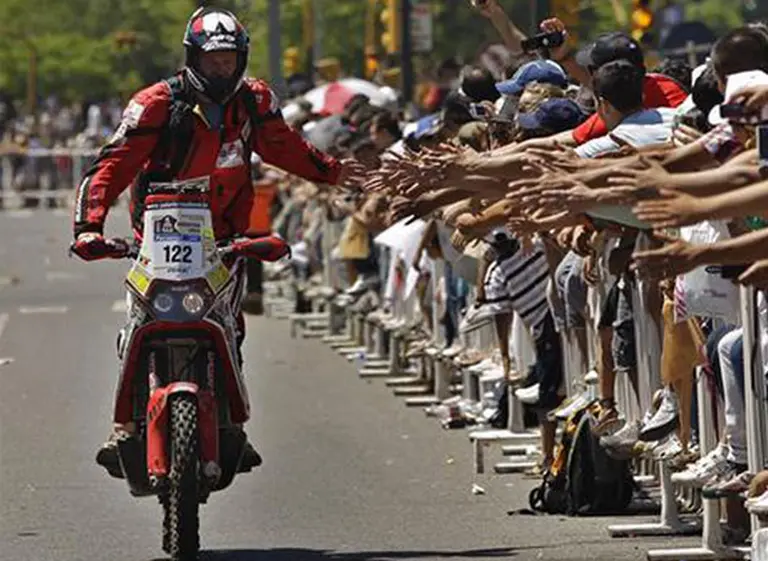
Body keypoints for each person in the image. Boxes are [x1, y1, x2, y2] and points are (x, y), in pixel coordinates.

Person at [70, 6, 355, 476]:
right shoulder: (156, 102)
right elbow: (112, 165)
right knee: (138, 323)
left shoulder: (255, 102)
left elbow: (287, 148)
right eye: (212, 59)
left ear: (240, 59)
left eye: (228, 59)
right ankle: (124, 426)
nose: (221, 68)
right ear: (192, 58)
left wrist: (341, 175)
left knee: (228, 324)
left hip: (224, 238)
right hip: (157, 238)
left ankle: (230, 425)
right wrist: (89, 227)